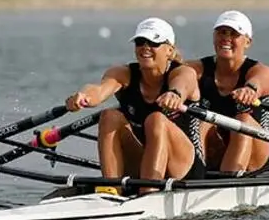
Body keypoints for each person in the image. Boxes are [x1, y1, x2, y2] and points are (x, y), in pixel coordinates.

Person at [65, 17, 204, 194]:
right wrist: (83, 96)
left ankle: (148, 191)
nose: (145, 47)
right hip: (144, 159)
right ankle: (110, 189)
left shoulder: (183, 72)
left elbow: (182, 84)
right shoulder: (123, 73)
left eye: (154, 42)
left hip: (185, 169)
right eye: (140, 42)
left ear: (169, 50)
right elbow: (98, 91)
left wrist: (174, 94)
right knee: (109, 116)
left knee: (156, 119)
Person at [186, 10, 269, 174]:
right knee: (203, 120)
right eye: (221, 32)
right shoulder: (197, 69)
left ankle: (230, 178)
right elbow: (178, 74)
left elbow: (261, 80)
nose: (226, 38)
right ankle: (196, 175)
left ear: (247, 42)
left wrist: (250, 90)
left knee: (243, 120)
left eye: (234, 33)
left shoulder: (260, 70)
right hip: (215, 151)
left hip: (257, 157)